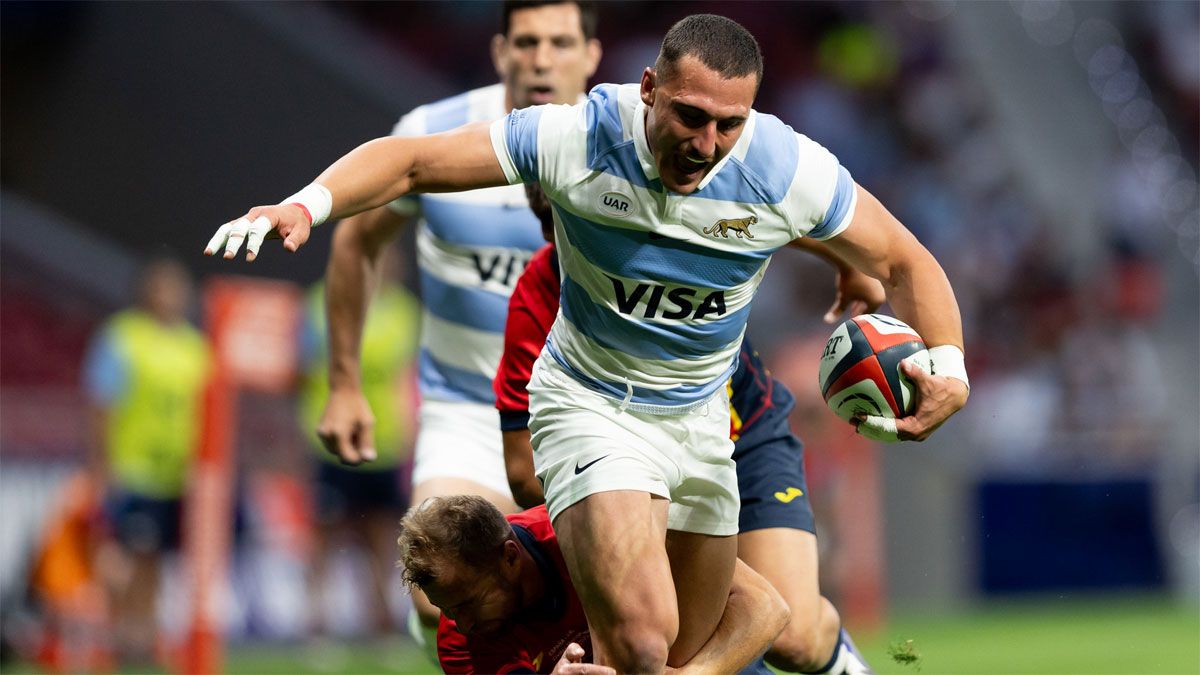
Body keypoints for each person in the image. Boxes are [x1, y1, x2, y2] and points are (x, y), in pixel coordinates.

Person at [205, 14, 970, 671]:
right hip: (594, 405)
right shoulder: (577, 137)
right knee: (640, 640)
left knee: (695, 649)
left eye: (728, 124)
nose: (706, 144)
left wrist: (950, 367)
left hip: (704, 418)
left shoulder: (787, 169)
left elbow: (904, 259)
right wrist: (306, 205)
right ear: (649, 88)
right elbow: (411, 162)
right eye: (689, 117)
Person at [298, 0, 602, 646]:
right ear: (499, 52)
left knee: (606, 605)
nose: (541, 59)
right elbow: (356, 242)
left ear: (591, 55)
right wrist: (345, 382)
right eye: (526, 42)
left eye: (559, 42)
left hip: (585, 408)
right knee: (442, 590)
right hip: (466, 408)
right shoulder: (433, 133)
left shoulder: (622, 145)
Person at [494, 183, 877, 673]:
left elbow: (763, 210)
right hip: (624, 470)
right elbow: (523, 470)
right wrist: (627, 508)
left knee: (794, 637)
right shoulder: (538, 297)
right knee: (668, 638)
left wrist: (846, 257)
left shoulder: (666, 229)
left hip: (745, 436)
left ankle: (842, 662)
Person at [397, 494, 789, 674]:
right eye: (448, 610)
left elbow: (767, 606)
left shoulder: (596, 535)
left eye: (468, 603)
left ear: (511, 558)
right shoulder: (459, 640)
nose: (462, 624)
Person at [82, 258, 211, 663]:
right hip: (132, 470)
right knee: (124, 559)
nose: (171, 296)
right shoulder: (122, 338)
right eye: (163, 287)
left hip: (176, 476)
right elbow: (101, 405)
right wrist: (101, 466)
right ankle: (119, 633)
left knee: (154, 562)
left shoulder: (195, 347)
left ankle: (144, 636)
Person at [295, 244, 420, 638]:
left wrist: (411, 428)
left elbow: (407, 376)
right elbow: (300, 368)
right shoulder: (321, 300)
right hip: (331, 438)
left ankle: (380, 616)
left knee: (382, 534)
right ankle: (317, 618)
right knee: (325, 531)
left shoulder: (405, 311)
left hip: (384, 440)